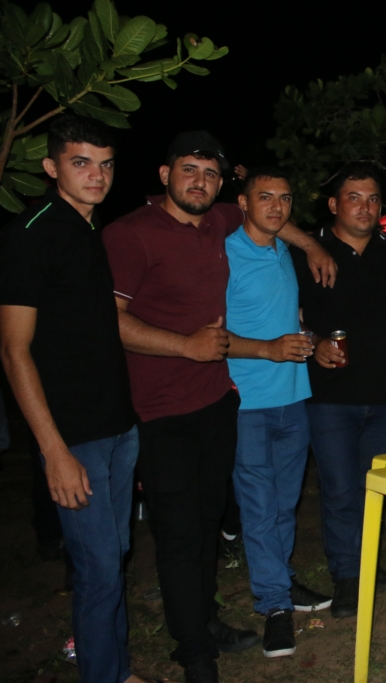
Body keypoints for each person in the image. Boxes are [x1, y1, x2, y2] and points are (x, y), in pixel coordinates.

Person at [102, 131, 336, 683]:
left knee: (255, 510)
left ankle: (238, 605)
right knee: (228, 514)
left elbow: (274, 223)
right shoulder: (169, 237)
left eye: (209, 173)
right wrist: (216, 347)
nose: (199, 182)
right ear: (165, 175)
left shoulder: (242, 232)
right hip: (212, 401)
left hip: (256, 398)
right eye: (189, 170)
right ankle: (249, 619)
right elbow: (121, 322)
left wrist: (311, 246)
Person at [0, 115, 149, 683]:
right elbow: (14, 351)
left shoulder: (90, 229)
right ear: (51, 166)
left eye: (105, 164)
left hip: (118, 427)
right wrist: (54, 451)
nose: (96, 175)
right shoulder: (30, 234)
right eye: (81, 162)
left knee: (114, 557)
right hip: (73, 437)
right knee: (98, 570)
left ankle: (117, 669)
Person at [224, 167, 333, 658]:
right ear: (243, 202)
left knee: (285, 502)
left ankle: (282, 581)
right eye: (264, 197)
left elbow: (284, 317)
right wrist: (268, 348)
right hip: (248, 402)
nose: (276, 206)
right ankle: (273, 606)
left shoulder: (283, 251)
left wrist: (309, 339)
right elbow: (213, 334)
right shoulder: (224, 252)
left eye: (285, 198)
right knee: (259, 507)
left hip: (293, 397)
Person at [296, 162, 386, 619]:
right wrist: (314, 342)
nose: (365, 207)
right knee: (340, 490)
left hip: (385, 395)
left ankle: (368, 562)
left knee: (374, 487)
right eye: (354, 198)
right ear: (333, 204)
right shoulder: (309, 252)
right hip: (330, 397)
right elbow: (290, 313)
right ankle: (346, 576)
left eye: (373, 198)